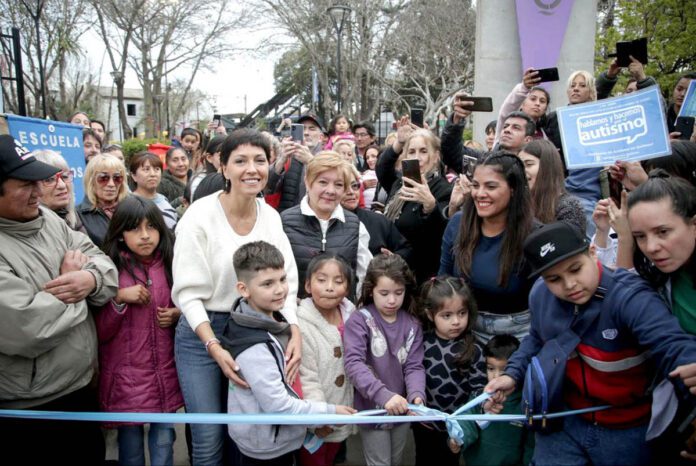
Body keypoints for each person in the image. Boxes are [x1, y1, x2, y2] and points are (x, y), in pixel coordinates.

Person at [485, 221, 696, 466]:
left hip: (628, 429)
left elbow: (672, 345)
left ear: (593, 252)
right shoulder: (541, 295)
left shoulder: (630, 298)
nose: (569, 285)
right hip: (563, 420)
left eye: (576, 269)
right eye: (554, 278)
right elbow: (536, 338)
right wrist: (512, 374)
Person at [171, 128, 302, 466]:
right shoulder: (199, 215)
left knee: (244, 436)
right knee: (209, 439)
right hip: (202, 333)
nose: (252, 169)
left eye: (260, 160)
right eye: (241, 161)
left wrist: (294, 329)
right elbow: (187, 294)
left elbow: (286, 278)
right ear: (223, 167)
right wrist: (213, 346)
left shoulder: (270, 216)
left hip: (253, 332)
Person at [0, 134, 118, 464]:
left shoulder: (50, 220)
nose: (38, 192)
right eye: (25, 184)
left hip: (81, 390)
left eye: (38, 181)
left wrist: (89, 279)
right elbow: (27, 327)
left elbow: (105, 267)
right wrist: (80, 291)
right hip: (30, 408)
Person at [222, 242, 355, 466]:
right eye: (268, 284)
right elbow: (278, 405)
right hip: (267, 446)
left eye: (282, 279)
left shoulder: (274, 316)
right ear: (244, 289)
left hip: (281, 437)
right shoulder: (254, 346)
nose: (280, 290)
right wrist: (328, 412)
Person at [96, 196, 183, 466]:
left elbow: (189, 303)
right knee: (130, 449)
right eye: (134, 228)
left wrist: (178, 313)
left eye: (151, 227)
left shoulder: (171, 263)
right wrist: (119, 298)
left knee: (164, 445)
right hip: (126, 378)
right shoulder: (109, 268)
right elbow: (100, 331)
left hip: (164, 373)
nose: (145, 235)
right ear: (120, 234)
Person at [440, 152, 535, 343]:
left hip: (517, 335)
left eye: (490, 186)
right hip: (463, 329)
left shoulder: (533, 236)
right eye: (475, 185)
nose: (480, 193)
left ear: (513, 189)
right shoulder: (458, 223)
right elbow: (443, 280)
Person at [344, 253, 425, 466]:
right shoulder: (359, 320)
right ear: (371, 290)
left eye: (399, 293)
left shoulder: (413, 324)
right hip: (373, 410)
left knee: (396, 461)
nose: (392, 300)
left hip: (402, 410)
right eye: (384, 293)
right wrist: (383, 396)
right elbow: (354, 364)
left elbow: (414, 366)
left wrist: (417, 395)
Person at [413, 276, 486, 466]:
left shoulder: (474, 349)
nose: (456, 321)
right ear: (430, 315)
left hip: (454, 427)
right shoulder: (421, 342)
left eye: (462, 313)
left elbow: (477, 392)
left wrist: (464, 428)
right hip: (424, 423)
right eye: (447, 315)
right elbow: (411, 374)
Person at [281, 152, 372, 298]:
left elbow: (365, 276)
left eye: (338, 184)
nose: (330, 191)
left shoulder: (355, 225)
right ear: (308, 182)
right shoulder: (284, 222)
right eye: (323, 182)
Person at [297, 254, 356, 466]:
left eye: (338, 281)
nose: (329, 287)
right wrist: (319, 419)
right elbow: (307, 377)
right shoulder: (301, 324)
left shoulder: (352, 317)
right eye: (321, 280)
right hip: (317, 419)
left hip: (341, 412)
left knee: (331, 458)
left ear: (347, 288)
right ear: (308, 285)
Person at [377, 124, 453, 283]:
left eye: (423, 151)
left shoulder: (443, 189)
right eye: (411, 152)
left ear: (435, 156)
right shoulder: (400, 183)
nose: (417, 157)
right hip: (390, 272)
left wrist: (430, 206)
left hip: (419, 277)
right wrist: (399, 142)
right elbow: (382, 168)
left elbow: (440, 236)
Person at [449, 335, 534, 466]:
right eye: (491, 368)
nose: (496, 376)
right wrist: (458, 439)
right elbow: (466, 421)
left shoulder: (525, 403)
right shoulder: (479, 397)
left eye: (504, 370)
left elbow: (530, 445)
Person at [441, 99, 535, 174]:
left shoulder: (534, 168)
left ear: (528, 140)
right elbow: (451, 152)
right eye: (505, 126)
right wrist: (457, 119)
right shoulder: (483, 160)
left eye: (516, 128)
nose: (507, 130)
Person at [341, 165, 412, 262]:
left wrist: (393, 259)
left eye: (354, 186)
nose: (351, 192)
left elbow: (405, 250)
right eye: (343, 186)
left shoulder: (379, 221)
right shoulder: (324, 224)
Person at [518, 139, 586, 234]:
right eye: (519, 166)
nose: (521, 171)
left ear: (547, 167)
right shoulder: (518, 203)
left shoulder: (569, 206)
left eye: (529, 164)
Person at [273, 114, 327, 211]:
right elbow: (269, 187)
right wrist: (281, 160)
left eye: (312, 129)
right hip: (288, 215)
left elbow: (333, 185)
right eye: (302, 128)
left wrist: (310, 161)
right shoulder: (288, 156)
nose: (306, 133)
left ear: (321, 137)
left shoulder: (330, 158)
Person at [78, 153, 129, 247]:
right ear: (91, 181)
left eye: (117, 178)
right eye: (103, 178)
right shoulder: (78, 215)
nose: (111, 184)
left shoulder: (133, 207)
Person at [493, 69, 551, 145]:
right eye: (533, 99)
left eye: (542, 101)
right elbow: (507, 110)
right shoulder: (507, 122)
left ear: (545, 109)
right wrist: (524, 87)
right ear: (521, 104)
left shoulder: (545, 135)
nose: (537, 103)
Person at [32, 150, 83, 231]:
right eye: (50, 179)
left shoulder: (74, 216)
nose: (62, 185)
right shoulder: (32, 228)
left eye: (65, 177)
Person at [129, 151, 178, 229]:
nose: (153, 174)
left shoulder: (164, 199)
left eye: (157, 169)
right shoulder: (128, 203)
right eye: (146, 169)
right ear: (134, 176)